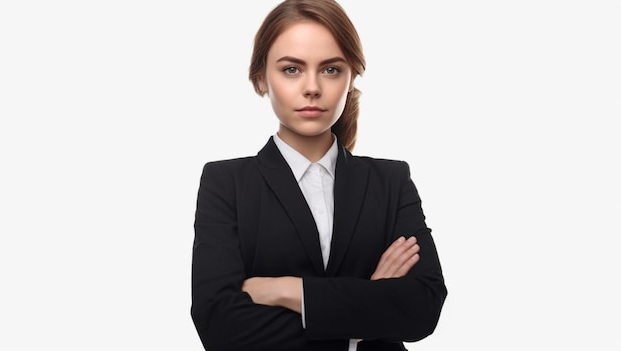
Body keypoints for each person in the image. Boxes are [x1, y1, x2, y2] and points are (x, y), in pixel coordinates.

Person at [190, 1, 447, 350]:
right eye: (292, 69)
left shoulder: (390, 180)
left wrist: (290, 291)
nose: (312, 87)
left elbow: (423, 308)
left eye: (330, 70)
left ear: (351, 77)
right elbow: (220, 327)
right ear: (261, 78)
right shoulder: (226, 183)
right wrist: (368, 307)